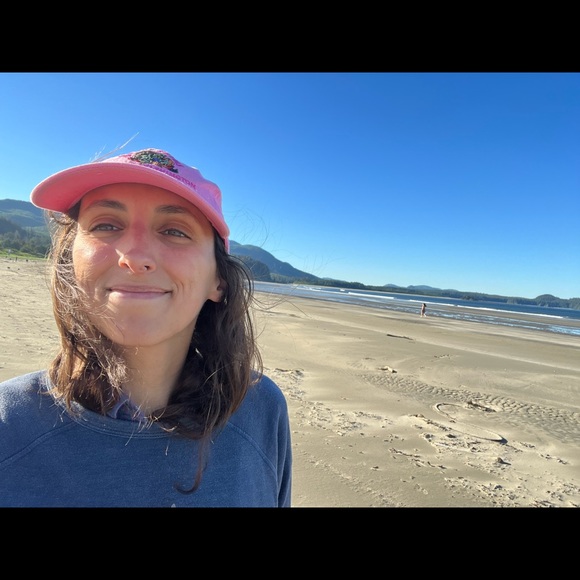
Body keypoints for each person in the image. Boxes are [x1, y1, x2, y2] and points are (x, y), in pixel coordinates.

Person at [0, 148, 292, 507]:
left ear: (218, 280)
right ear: (70, 263)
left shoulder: (262, 410)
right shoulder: (8, 422)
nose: (135, 257)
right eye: (106, 225)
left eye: (175, 231)